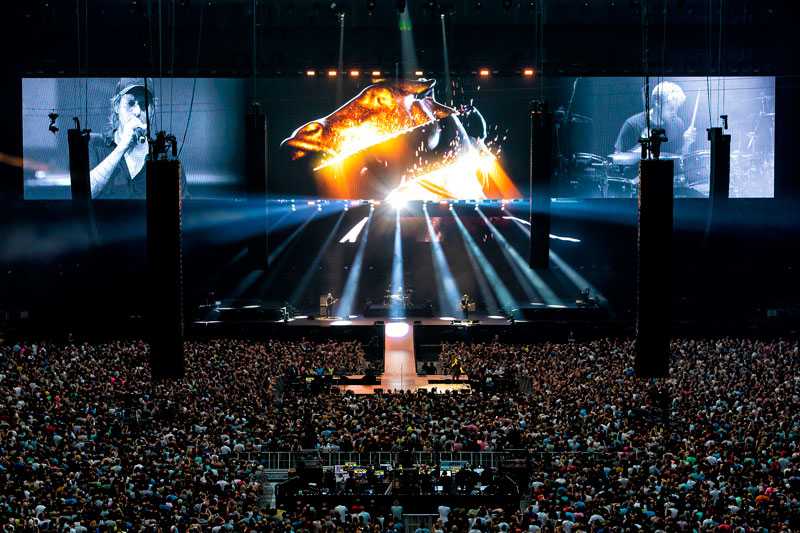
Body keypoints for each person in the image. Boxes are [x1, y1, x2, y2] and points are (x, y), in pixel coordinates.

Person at [89, 77, 187, 199]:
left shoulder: (165, 158)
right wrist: (121, 148)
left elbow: (181, 209)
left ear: (152, 111)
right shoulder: (94, 144)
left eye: (144, 104)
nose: (137, 111)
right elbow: (83, 194)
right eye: (130, 103)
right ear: (116, 106)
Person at [614, 81, 696, 156]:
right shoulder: (633, 124)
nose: (674, 113)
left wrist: (686, 143)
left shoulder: (678, 124)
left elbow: (680, 158)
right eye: (671, 108)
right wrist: (640, 149)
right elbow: (618, 158)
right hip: (640, 171)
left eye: (677, 108)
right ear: (657, 103)